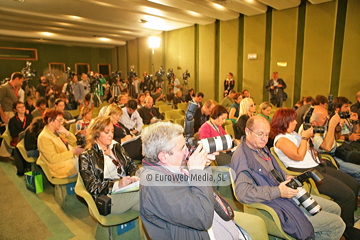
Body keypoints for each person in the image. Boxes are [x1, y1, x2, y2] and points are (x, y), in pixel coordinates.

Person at [231, 115, 345, 240]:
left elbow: (271, 173)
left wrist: (286, 177)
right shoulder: (243, 158)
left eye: (267, 134)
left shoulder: (260, 148)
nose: (264, 139)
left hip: (286, 196)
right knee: (337, 224)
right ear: (247, 131)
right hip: (277, 207)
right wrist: (279, 191)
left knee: (335, 208)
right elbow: (243, 193)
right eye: (260, 134)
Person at [140, 121, 247, 239]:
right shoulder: (155, 184)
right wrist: (198, 172)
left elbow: (204, 197)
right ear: (163, 156)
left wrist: (204, 167)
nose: (187, 150)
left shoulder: (173, 168)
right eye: (182, 148)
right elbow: (203, 218)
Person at [271, 108, 360, 238]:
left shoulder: (294, 134)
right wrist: (304, 138)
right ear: (285, 121)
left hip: (316, 166)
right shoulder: (281, 139)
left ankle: (347, 223)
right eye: (293, 120)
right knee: (346, 195)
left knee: (353, 184)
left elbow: (307, 150)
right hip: (306, 172)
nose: (296, 122)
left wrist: (307, 137)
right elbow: (299, 156)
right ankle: (347, 231)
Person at [79, 116, 139, 215]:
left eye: (112, 131)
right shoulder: (86, 156)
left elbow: (131, 164)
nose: (111, 135)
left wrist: (133, 177)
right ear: (96, 133)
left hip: (126, 189)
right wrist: (117, 185)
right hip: (108, 197)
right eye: (107, 132)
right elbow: (92, 186)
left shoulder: (116, 147)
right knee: (147, 192)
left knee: (150, 205)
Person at [38, 109, 84, 178]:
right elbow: (53, 159)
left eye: (62, 120)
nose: (61, 123)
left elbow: (73, 141)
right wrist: (72, 152)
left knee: (90, 161)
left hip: (69, 161)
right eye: (59, 120)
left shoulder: (57, 131)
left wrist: (66, 132)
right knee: (89, 165)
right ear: (50, 120)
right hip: (60, 167)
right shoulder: (44, 137)